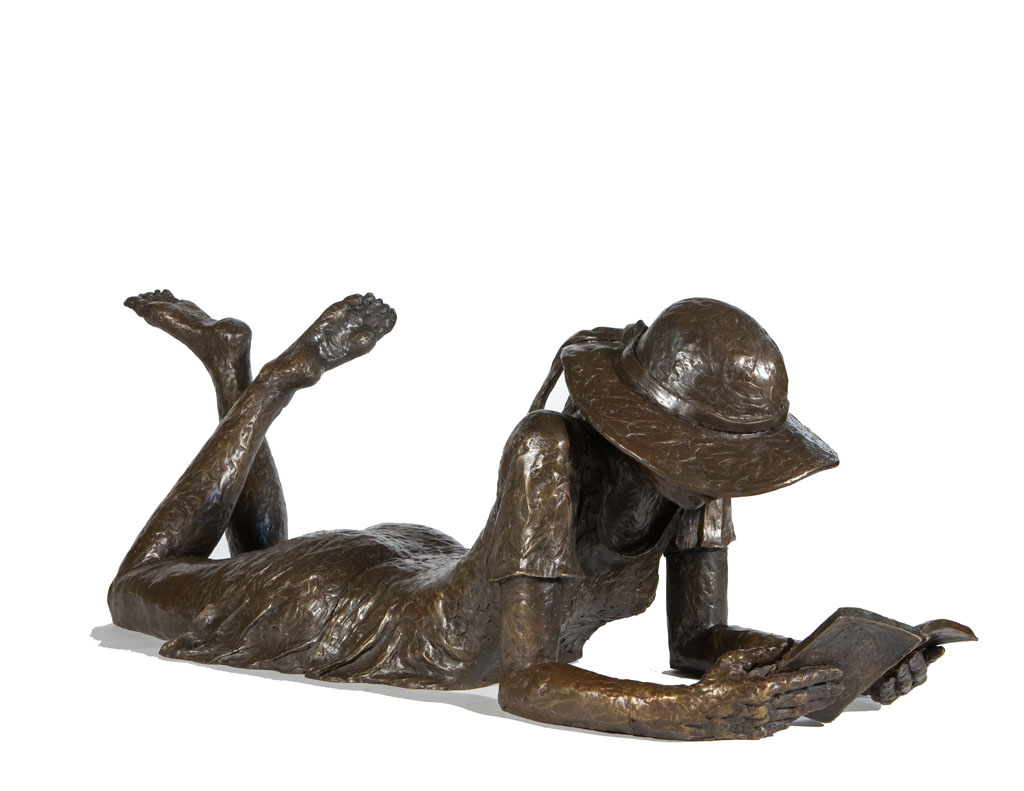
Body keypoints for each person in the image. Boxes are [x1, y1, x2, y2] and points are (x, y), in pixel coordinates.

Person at [109, 291, 938, 740]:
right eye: (711, 461)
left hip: (427, 560)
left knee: (255, 556)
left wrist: (822, 666)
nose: (724, 479)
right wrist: (695, 716)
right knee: (142, 588)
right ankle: (268, 380)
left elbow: (697, 645)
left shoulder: (697, 477)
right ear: (654, 433)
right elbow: (527, 680)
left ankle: (229, 363)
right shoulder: (550, 450)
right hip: (376, 614)